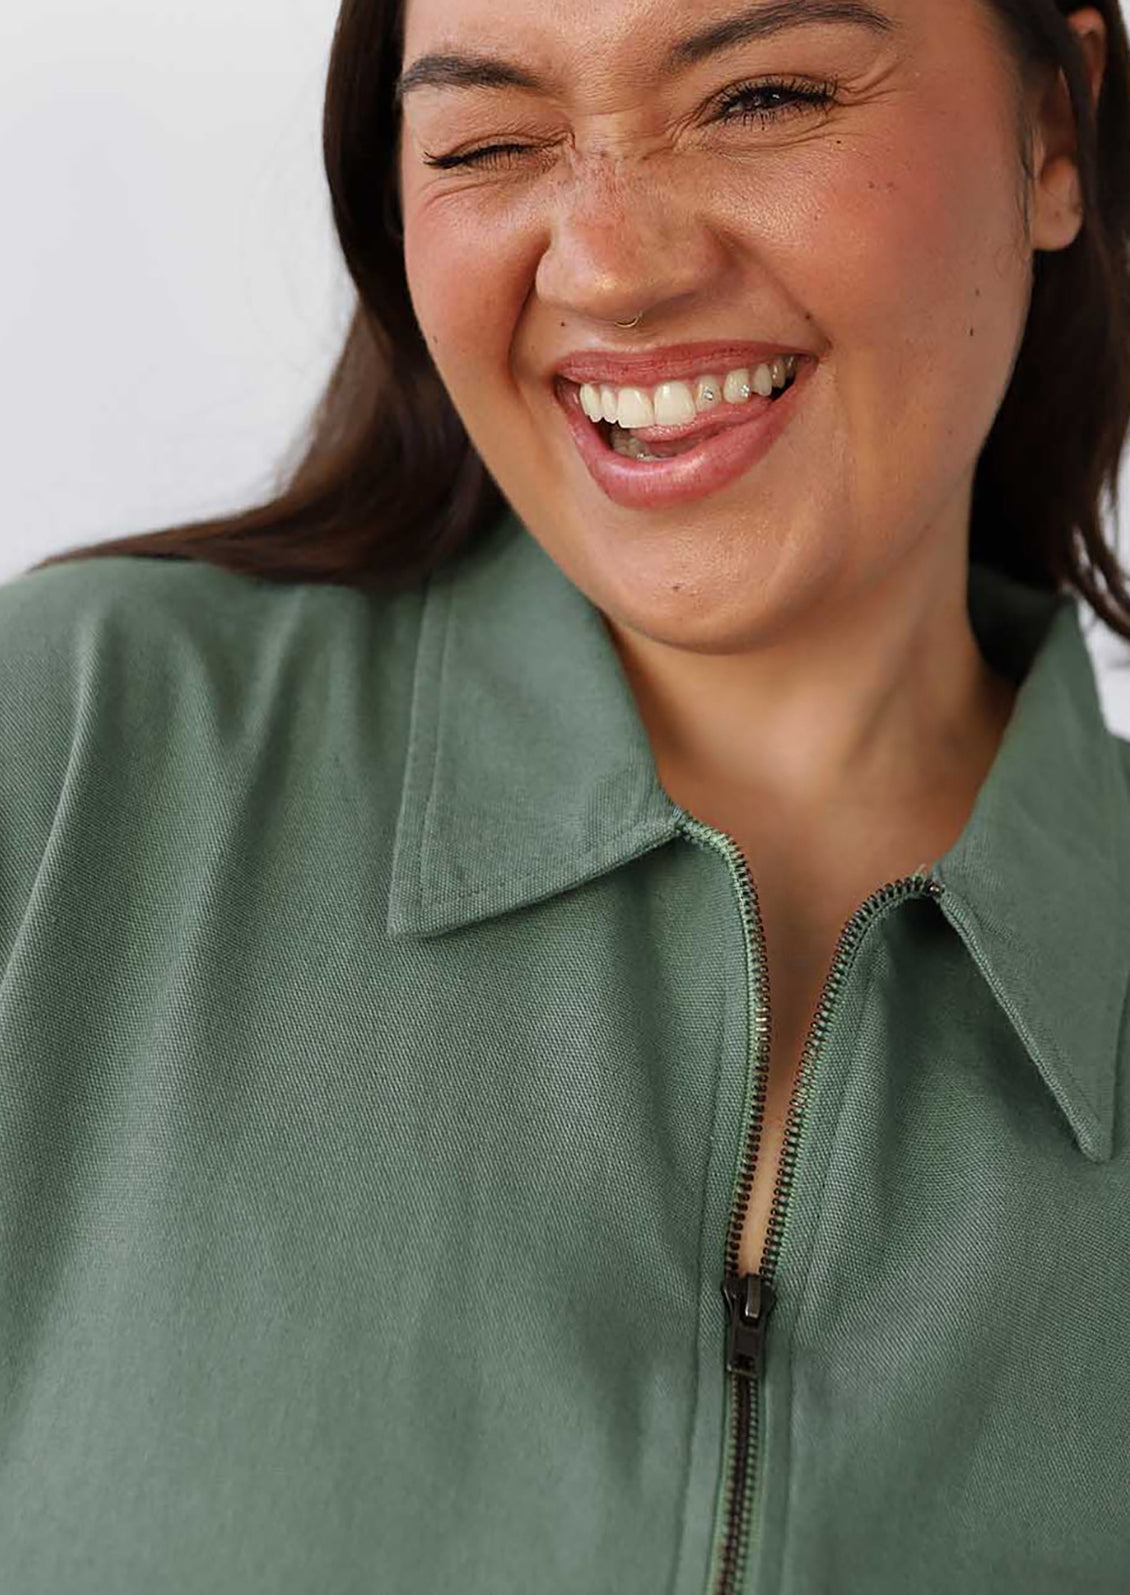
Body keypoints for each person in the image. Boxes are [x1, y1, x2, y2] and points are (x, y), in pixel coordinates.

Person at [1, 0, 1127, 1590]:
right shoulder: (66, 764)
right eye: (489, 142)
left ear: (1056, 128)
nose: (608, 262)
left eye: (762, 97)